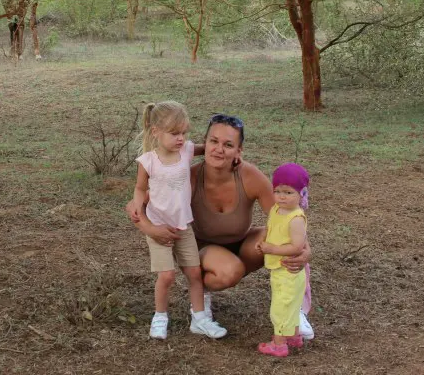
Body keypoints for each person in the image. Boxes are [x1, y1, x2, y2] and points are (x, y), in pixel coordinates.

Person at [127, 113, 314, 338]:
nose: (218, 149)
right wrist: (149, 228)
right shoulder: (187, 176)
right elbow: (136, 205)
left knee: (285, 240)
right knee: (229, 272)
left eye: (228, 145)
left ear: (239, 151)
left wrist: (304, 249)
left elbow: (287, 216)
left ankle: (295, 312)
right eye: (213, 141)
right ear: (204, 143)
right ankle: (201, 295)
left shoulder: (250, 176)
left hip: (242, 243)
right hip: (202, 250)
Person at [132, 101, 227, 340]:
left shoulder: (185, 150)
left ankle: (199, 318)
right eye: (175, 133)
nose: (181, 139)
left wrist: (224, 149)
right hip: (158, 227)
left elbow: (207, 149)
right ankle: (160, 316)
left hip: (184, 226)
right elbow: (140, 188)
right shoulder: (148, 161)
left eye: (184, 133)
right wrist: (138, 209)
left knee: (194, 274)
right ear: (156, 132)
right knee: (167, 276)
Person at [254, 163, 310, 357]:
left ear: (300, 194)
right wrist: (263, 241)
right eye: (277, 191)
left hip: (289, 270)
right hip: (279, 269)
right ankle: (294, 337)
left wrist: (272, 249)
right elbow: (271, 230)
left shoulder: (296, 218)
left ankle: (279, 344)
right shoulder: (276, 210)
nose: (282, 196)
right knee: (289, 304)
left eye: (288, 192)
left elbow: (297, 246)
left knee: (282, 306)